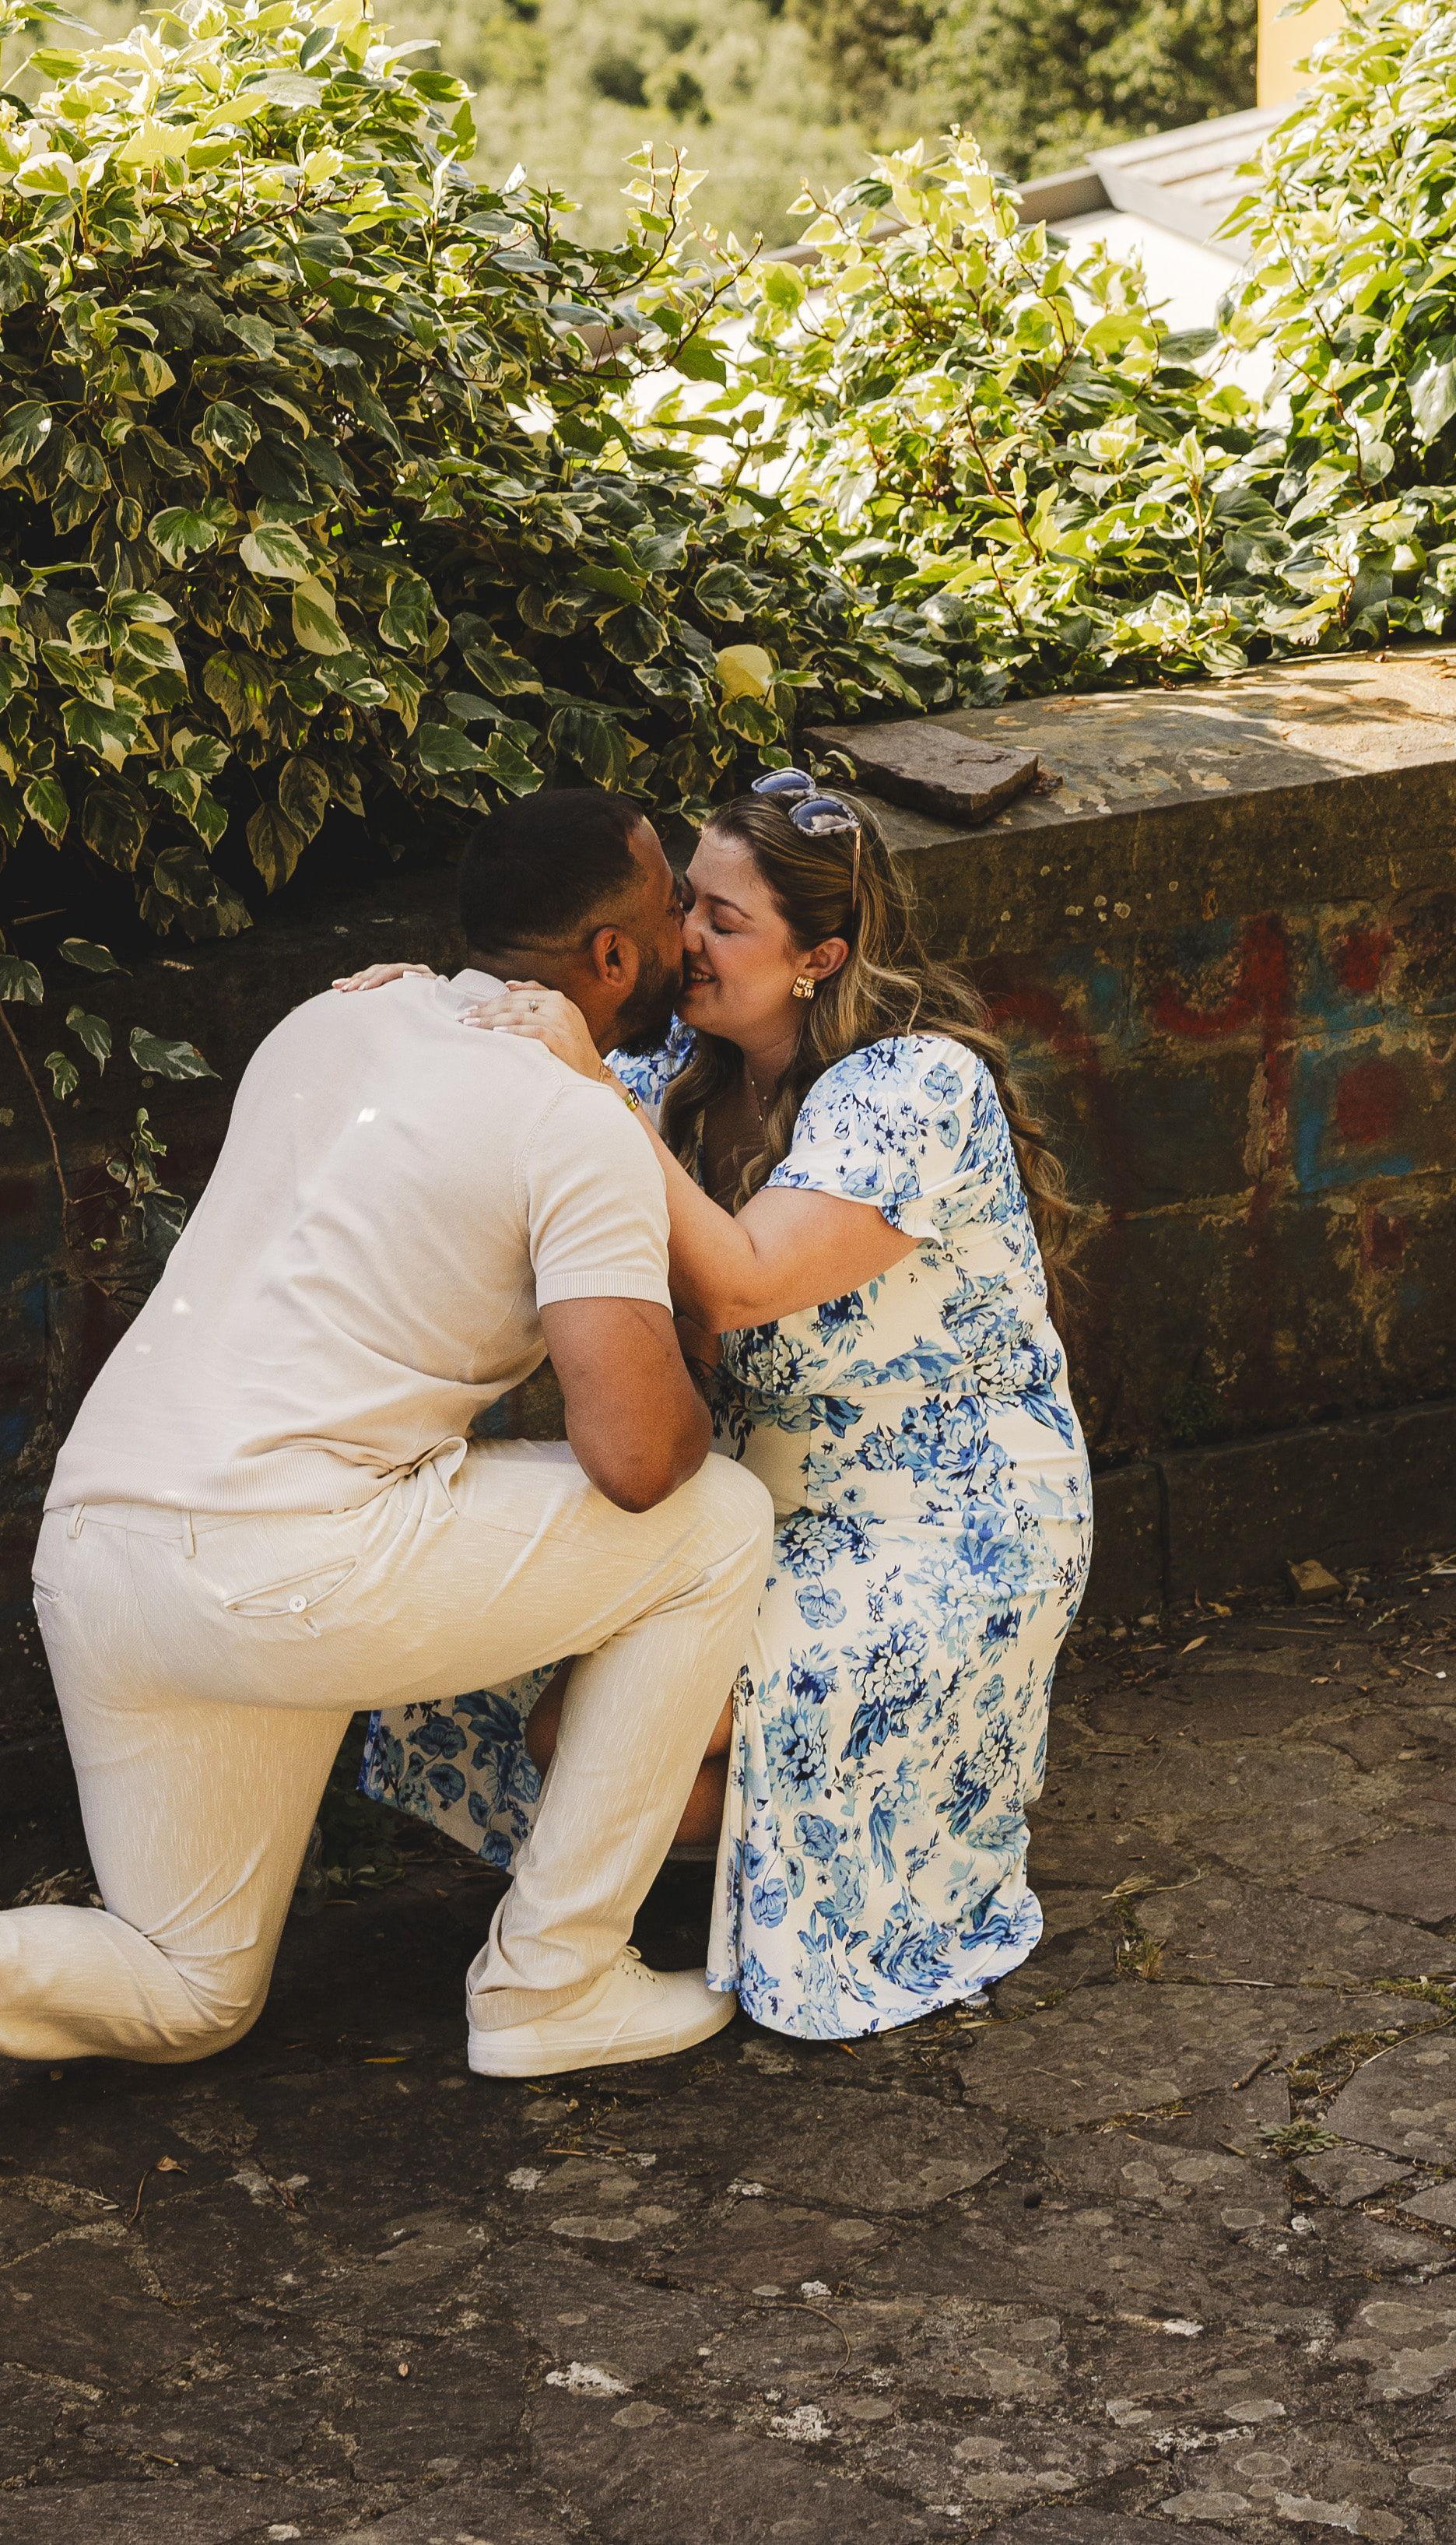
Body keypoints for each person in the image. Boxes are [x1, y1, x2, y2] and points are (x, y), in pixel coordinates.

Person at [0, 790, 773, 2211]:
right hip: (283, 1570)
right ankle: (555, 1977)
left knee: (190, 1986)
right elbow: (640, 1461)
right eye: (671, 910)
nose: (685, 935)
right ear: (608, 958)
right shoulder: (569, 1119)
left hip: (102, 1555)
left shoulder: (329, 1022)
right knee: (714, 1517)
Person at [360, 767, 1089, 2041]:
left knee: (608, 1735)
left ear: (820, 955)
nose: (681, 938)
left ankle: (762, 1868)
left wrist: (591, 1092)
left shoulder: (912, 1087)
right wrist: (412, 1018)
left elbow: (745, 1282)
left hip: (951, 1526)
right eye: (685, 902)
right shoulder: (675, 1080)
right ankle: (633, 1904)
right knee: (521, 1693)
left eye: (724, 921)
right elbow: (515, 1091)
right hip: (759, 1507)